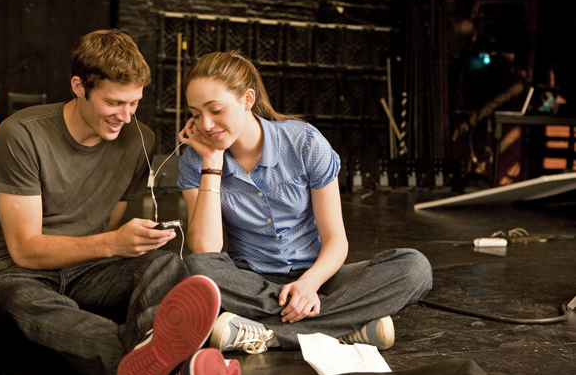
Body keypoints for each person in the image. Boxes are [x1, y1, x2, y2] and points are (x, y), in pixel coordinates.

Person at [0, 29, 240, 375]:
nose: (125, 117)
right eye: (114, 103)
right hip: (12, 277)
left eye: (134, 103)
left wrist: (126, 243)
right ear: (79, 87)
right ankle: (174, 370)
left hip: (87, 273)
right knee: (22, 305)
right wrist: (114, 243)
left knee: (163, 265)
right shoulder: (22, 135)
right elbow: (25, 250)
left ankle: (153, 360)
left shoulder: (139, 139)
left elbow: (108, 229)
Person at [177, 51, 433, 354]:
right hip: (251, 282)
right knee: (196, 269)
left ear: (247, 99)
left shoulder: (304, 143)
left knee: (415, 268)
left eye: (216, 110)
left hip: (319, 277)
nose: (206, 124)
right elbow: (205, 249)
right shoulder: (196, 160)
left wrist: (309, 285)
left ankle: (268, 333)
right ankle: (344, 325)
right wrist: (211, 162)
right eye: (196, 114)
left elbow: (336, 239)